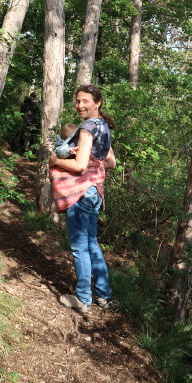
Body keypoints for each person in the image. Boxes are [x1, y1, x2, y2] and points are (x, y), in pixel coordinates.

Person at [49, 85, 116, 313]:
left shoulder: (87, 128)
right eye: (77, 101)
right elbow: (111, 163)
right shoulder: (103, 126)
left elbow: (78, 166)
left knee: (79, 248)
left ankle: (83, 299)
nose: (80, 105)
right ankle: (104, 296)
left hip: (81, 191)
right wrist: (92, 162)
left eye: (85, 101)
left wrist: (55, 161)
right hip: (96, 192)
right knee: (91, 244)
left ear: (97, 102)